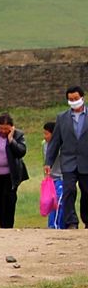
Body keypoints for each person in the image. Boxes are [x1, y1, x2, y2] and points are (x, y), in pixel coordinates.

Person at [45, 86, 88, 229]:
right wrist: (48, 162)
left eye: (76, 99)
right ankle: (71, 222)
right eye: (70, 99)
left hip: (86, 161)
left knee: (86, 192)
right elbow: (55, 141)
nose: (73, 101)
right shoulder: (62, 118)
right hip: (69, 161)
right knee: (69, 190)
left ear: (82, 98)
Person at [43, 121, 65, 229]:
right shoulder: (45, 145)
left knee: (60, 203)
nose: (45, 136)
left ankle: (57, 226)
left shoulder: (63, 145)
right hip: (51, 180)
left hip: (61, 178)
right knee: (51, 203)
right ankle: (52, 226)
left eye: (47, 134)